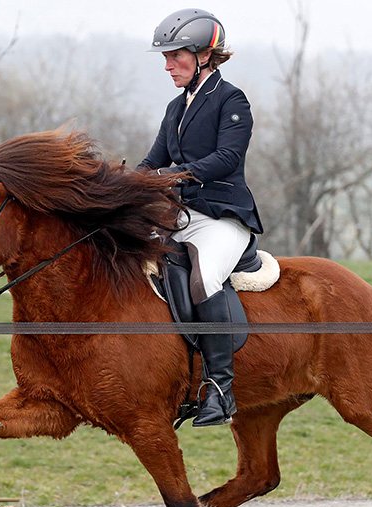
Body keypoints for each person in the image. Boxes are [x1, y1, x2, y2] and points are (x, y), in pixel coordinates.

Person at [138, 9, 263, 427]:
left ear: (204, 55)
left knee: (204, 279)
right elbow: (152, 162)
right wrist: (118, 185)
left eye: (175, 56)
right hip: (182, 215)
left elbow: (227, 158)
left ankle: (221, 389)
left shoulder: (231, 100)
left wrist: (172, 175)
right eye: (166, 58)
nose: (168, 66)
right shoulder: (175, 108)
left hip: (224, 216)